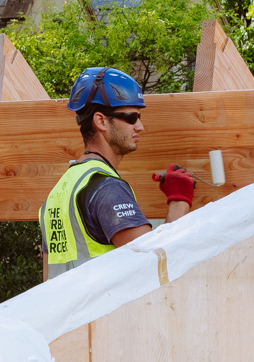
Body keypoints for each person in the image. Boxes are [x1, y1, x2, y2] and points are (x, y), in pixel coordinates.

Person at [38, 66, 196, 279]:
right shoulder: (105, 187)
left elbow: (47, 277)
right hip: (104, 311)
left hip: (68, 311)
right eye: (131, 117)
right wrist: (179, 200)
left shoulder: (59, 192)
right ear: (101, 121)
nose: (140, 126)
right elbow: (155, 263)